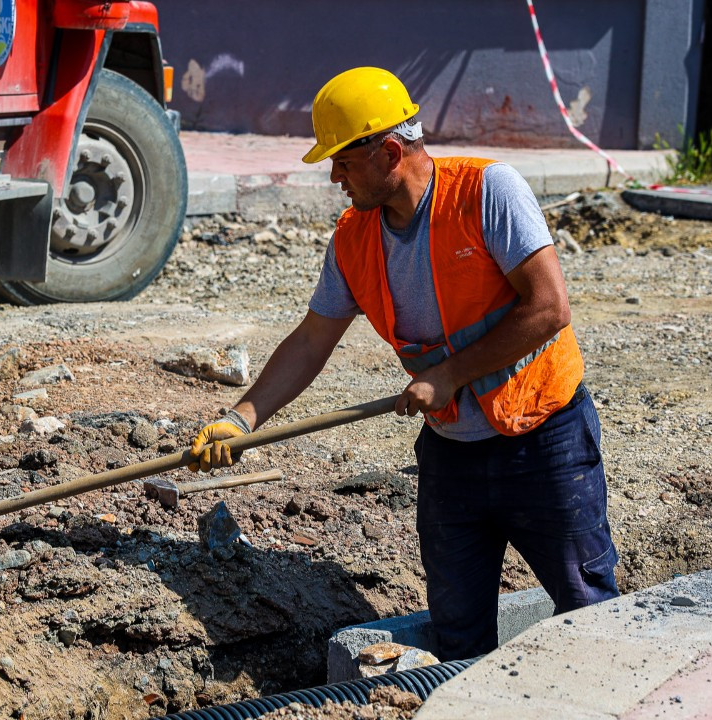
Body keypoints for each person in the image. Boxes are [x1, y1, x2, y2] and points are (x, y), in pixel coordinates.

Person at [187, 67, 619, 660]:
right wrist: (242, 419)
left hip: (542, 442)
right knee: (459, 634)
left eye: (341, 160)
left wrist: (447, 376)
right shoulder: (353, 238)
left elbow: (549, 308)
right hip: (452, 458)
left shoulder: (488, 192)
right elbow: (313, 339)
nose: (333, 176)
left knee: (588, 611)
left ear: (389, 151)